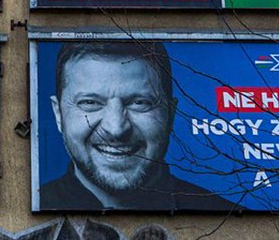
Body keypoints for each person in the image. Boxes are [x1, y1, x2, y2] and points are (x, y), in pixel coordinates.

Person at [43, 40, 226, 210]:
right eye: (90, 103)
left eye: (139, 103)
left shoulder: (224, 215)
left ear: (170, 114)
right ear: (58, 114)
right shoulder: (40, 204)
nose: (116, 129)